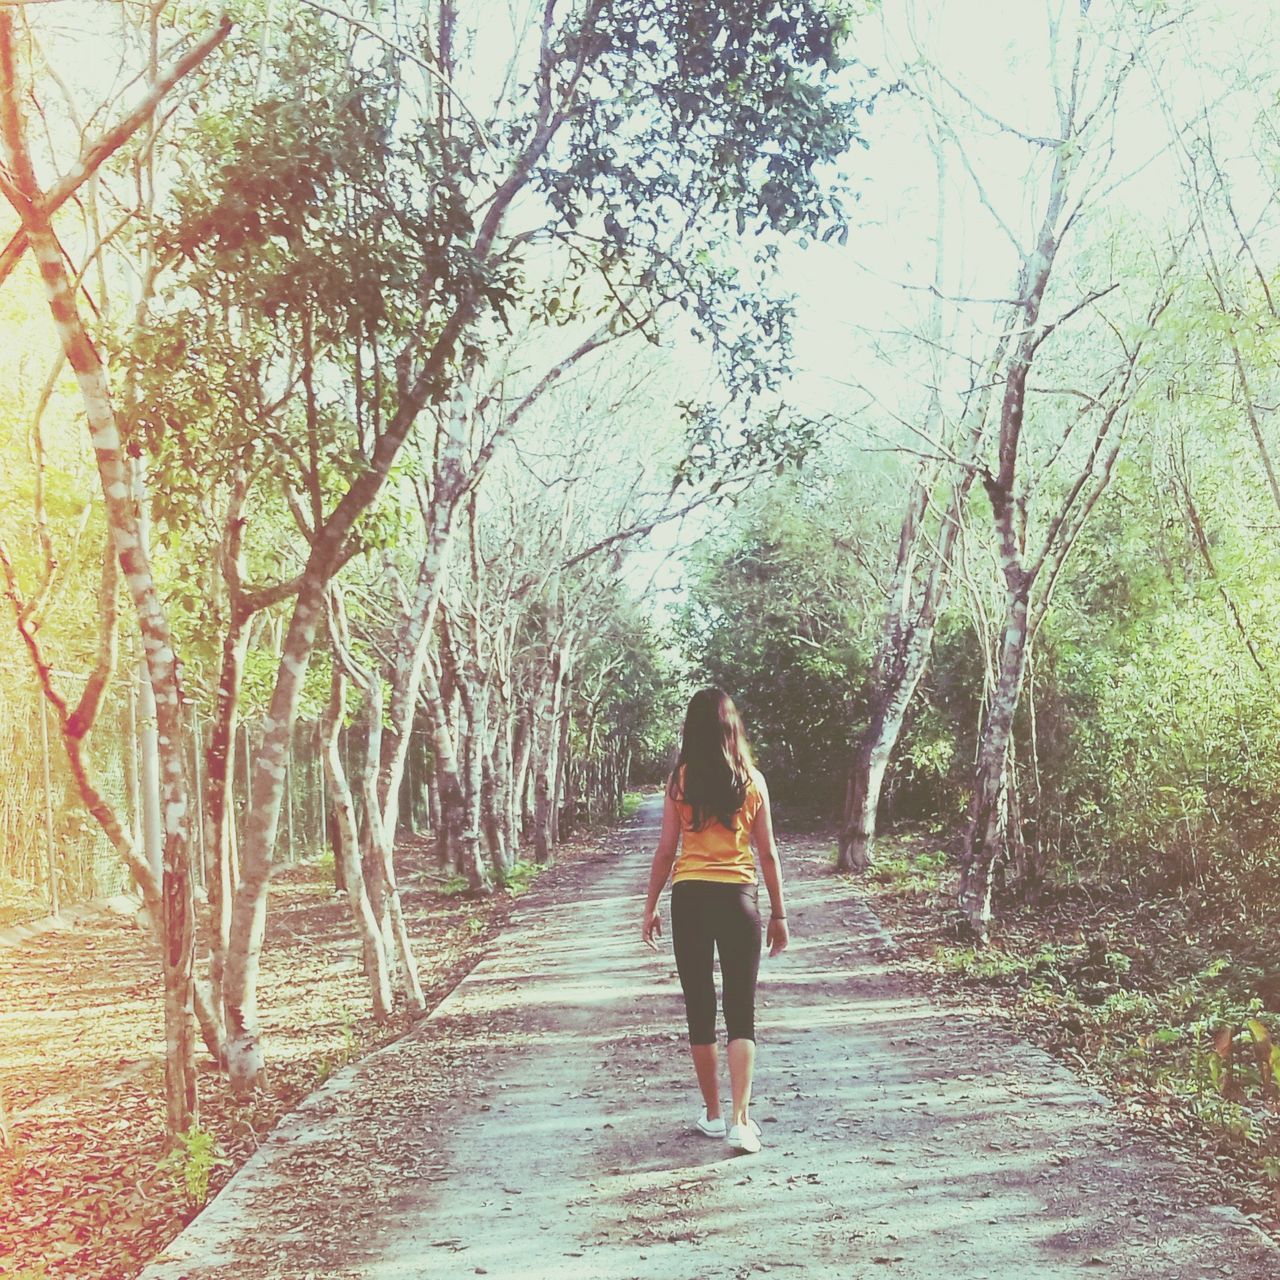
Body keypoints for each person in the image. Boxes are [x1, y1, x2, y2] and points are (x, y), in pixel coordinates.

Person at [641, 688, 789, 1154]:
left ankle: (712, 1114)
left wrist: (649, 906)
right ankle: (741, 1122)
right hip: (739, 900)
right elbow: (767, 852)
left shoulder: (679, 781)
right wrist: (780, 913)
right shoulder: (753, 781)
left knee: (700, 1008)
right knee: (741, 1010)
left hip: (690, 899)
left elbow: (666, 849)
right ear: (732, 727)